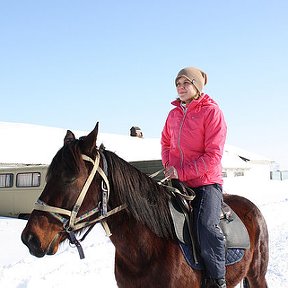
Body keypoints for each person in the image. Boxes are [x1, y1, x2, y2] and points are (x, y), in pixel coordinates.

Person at [161, 67, 227, 288]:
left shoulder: (212, 112)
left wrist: (183, 172)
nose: (180, 88)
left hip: (206, 182)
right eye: (177, 84)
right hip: (177, 183)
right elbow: (166, 143)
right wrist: (170, 167)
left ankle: (217, 280)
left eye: (185, 83)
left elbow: (214, 156)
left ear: (197, 86)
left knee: (206, 226)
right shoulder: (173, 114)